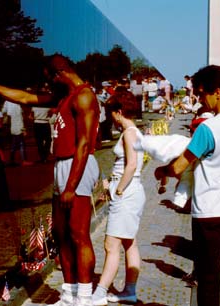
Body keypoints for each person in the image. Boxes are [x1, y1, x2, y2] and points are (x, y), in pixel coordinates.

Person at [0, 54, 100, 306]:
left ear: (59, 73)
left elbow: (85, 144)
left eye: (48, 80)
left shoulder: (84, 96)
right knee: (60, 234)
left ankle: (85, 297)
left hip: (78, 165)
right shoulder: (64, 96)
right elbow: (23, 97)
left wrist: (71, 186)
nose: (47, 86)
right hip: (62, 164)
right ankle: (69, 294)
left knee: (79, 235)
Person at [155, 65, 220, 306]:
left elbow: (180, 166)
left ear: (217, 92)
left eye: (201, 93)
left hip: (209, 212)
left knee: (209, 279)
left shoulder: (209, 128)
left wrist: (162, 171)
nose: (200, 99)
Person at [91, 91, 145, 305]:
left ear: (119, 112)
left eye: (112, 113)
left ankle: (100, 293)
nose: (110, 118)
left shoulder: (129, 133)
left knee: (110, 244)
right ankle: (129, 291)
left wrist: (118, 188)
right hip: (133, 190)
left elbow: (131, 165)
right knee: (129, 242)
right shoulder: (134, 132)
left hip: (127, 193)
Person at [2, 100, 33, 166]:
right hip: (18, 127)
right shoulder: (18, 104)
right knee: (21, 144)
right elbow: (20, 118)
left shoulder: (7, 102)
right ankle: (23, 160)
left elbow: (3, 111)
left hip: (11, 126)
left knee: (13, 144)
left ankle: (11, 160)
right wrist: (23, 129)